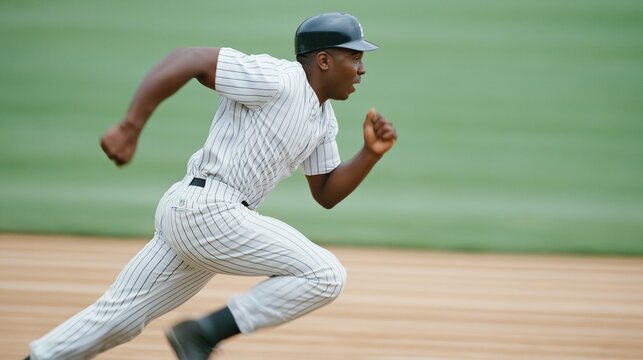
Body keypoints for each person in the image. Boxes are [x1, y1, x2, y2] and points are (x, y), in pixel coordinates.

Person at [27, 12, 397, 360]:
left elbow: (326, 193)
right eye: (354, 56)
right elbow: (190, 58)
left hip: (202, 216)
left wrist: (369, 153)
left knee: (118, 319)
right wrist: (130, 126)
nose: (362, 68)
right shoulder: (278, 78)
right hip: (210, 210)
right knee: (325, 274)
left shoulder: (323, 121)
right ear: (324, 60)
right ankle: (203, 334)